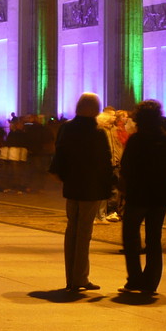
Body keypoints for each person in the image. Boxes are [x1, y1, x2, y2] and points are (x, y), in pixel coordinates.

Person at [49, 93, 112, 292]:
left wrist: (62, 176)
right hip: (91, 187)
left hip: (72, 185)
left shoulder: (66, 127)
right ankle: (80, 278)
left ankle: (71, 277)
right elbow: (104, 162)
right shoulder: (98, 132)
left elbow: (59, 154)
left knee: (72, 231)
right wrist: (109, 186)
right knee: (84, 233)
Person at [119, 99, 166, 295]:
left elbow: (126, 167)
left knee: (130, 236)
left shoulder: (136, 140)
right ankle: (151, 281)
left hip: (138, 194)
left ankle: (134, 278)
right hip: (160, 194)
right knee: (154, 238)